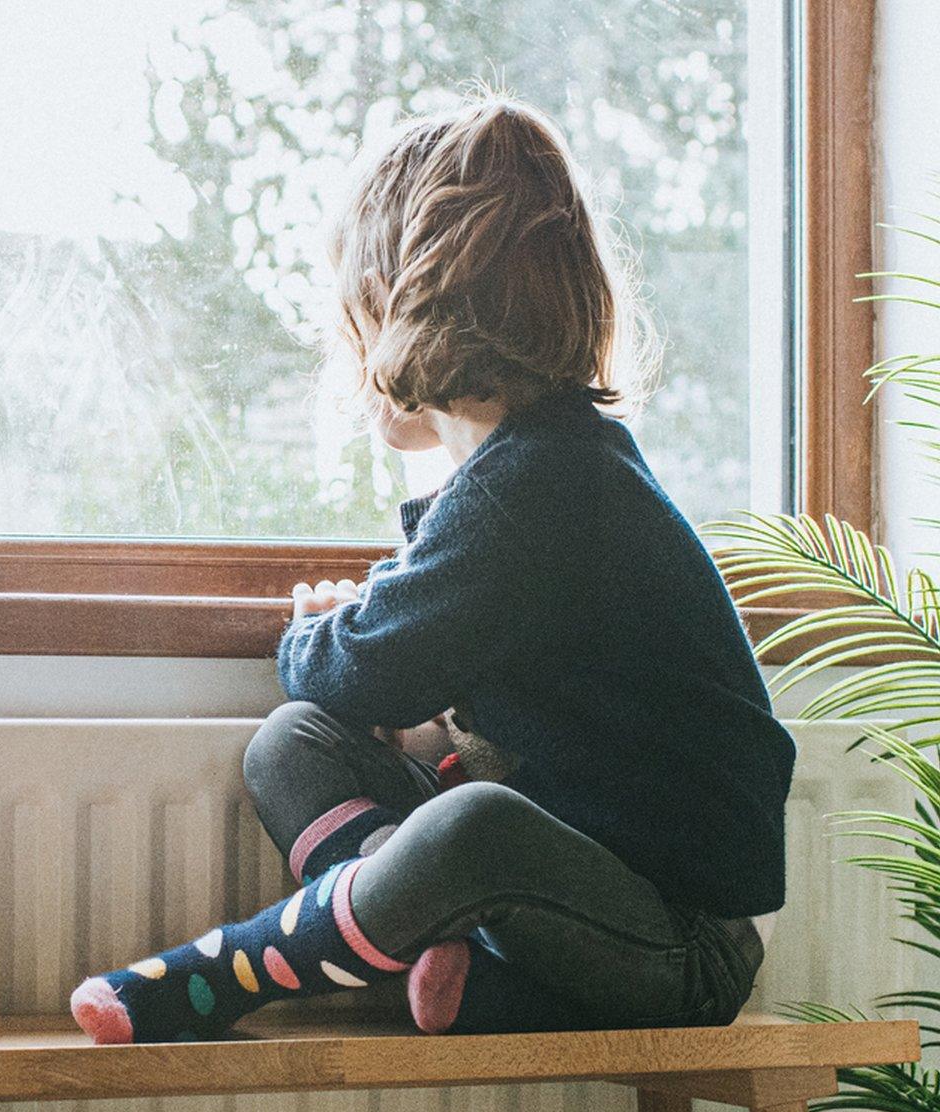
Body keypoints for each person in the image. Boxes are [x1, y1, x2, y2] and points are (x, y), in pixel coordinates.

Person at [69, 95, 793, 1043]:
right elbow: (431, 672)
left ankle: (232, 972)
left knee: (472, 828)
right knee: (293, 744)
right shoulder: (527, 480)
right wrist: (381, 664)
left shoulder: (545, 483)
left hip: (675, 945)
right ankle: (436, 952)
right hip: (548, 914)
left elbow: (369, 666)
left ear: (404, 316)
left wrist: (319, 631)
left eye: (353, 326)